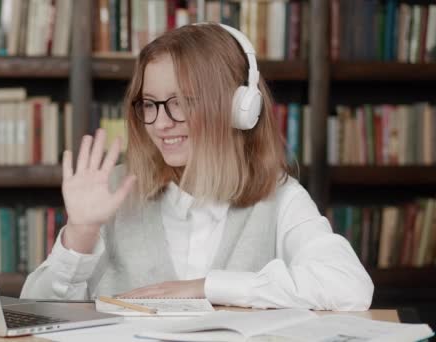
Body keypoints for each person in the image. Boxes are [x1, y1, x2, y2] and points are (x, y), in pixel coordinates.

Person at [20, 23, 374, 311]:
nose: (160, 123)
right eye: (150, 104)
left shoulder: (279, 196)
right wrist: (81, 233)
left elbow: (350, 287)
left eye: (181, 102)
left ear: (239, 107)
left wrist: (206, 287)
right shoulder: (112, 189)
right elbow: (36, 313)